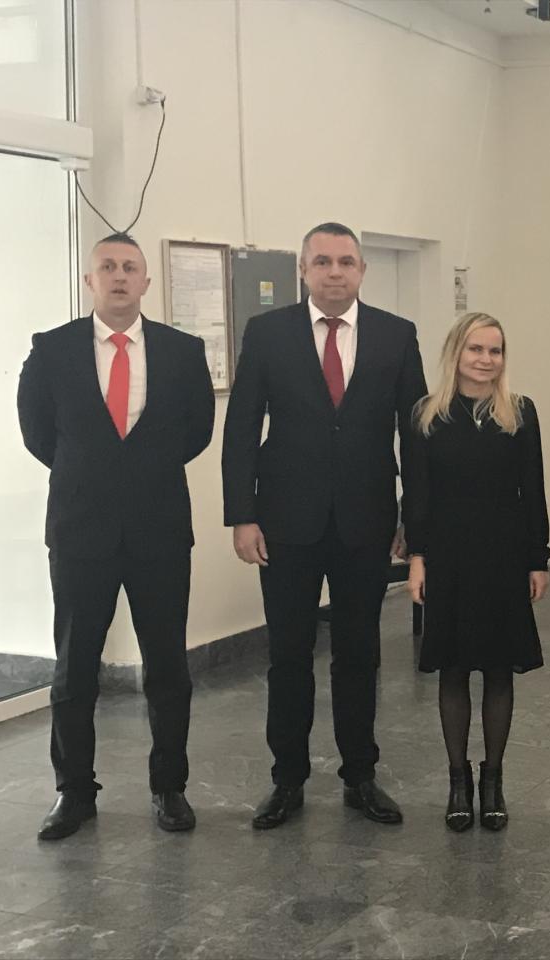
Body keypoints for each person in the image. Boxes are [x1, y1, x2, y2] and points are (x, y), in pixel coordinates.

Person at [222, 221, 427, 829]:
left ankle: (360, 775)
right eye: (322, 262)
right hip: (285, 523)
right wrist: (242, 515)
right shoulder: (268, 333)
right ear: (303, 270)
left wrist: (414, 518)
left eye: (345, 262)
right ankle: (287, 780)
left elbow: (415, 433)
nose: (334, 272)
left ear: (361, 270)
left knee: (359, 653)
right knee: (288, 655)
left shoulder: (396, 335)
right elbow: (241, 428)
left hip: (366, 521)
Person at [17, 233, 214, 839]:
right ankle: (74, 792)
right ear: (90, 280)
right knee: (75, 668)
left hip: (159, 530)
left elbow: (197, 432)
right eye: (108, 266)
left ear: (146, 281)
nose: (119, 276)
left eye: (130, 267)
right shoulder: (52, 350)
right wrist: (94, 473)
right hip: (81, 531)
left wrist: (138, 473)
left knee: (167, 666)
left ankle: (169, 787)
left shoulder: (183, 351)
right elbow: (38, 434)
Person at [401, 312, 550, 832]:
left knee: (499, 669)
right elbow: (417, 492)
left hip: (504, 555)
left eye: (495, 350)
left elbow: (533, 489)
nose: (486, 360)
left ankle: (493, 781)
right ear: (455, 353)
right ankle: (458, 781)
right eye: (476, 349)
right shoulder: (426, 415)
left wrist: (537, 557)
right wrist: (417, 557)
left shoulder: (519, 412)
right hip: (448, 555)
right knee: (454, 668)